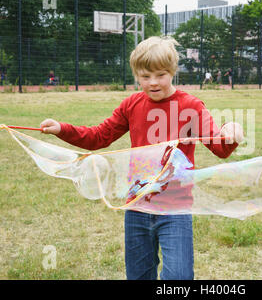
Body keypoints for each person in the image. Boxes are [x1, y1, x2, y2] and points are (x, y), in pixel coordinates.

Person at [39, 36, 244, 280]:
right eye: (145, 76)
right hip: (137, 206)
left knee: (178, 277)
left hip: (175, 210)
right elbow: (98, 137)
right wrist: (62, 129)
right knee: (138, 275)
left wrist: (232, 130)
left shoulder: (191, 106)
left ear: (173, 71)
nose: (153, 83)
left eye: (161, 75)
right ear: (136, 74)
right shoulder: (131, 105)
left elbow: (219, 147)